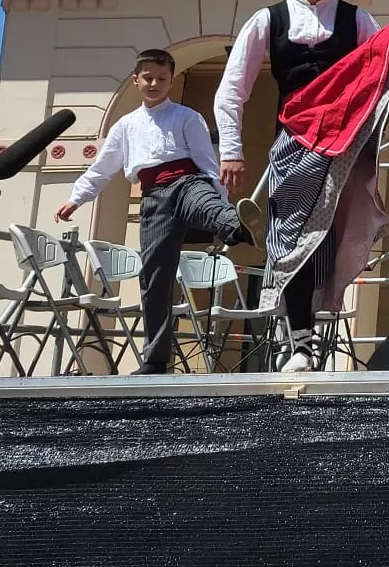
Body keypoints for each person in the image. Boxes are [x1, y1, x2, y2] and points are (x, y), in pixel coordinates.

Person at [213, 0, 389, 372]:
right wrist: (231, 150)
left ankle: (315, 329)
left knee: (332, 236)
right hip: (292, 143)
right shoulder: (266, 21)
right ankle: (301, 344)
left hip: (346, 145)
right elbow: (231, 90)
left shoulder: (357, 20)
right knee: (293, 239)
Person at [56, 49, 253, 374]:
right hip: (153, 199)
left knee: (208, 207)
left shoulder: (187, 117)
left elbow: (207, 161)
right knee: (154, 276)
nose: (154, 83)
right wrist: (77, 198)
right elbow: (102, 168)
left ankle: (240, 226)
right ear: (136, 80)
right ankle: (156, 359)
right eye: (148, 77)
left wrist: (222, 200)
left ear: (171, 81)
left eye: (162, 78)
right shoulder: (125, 126)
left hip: (187, 182)